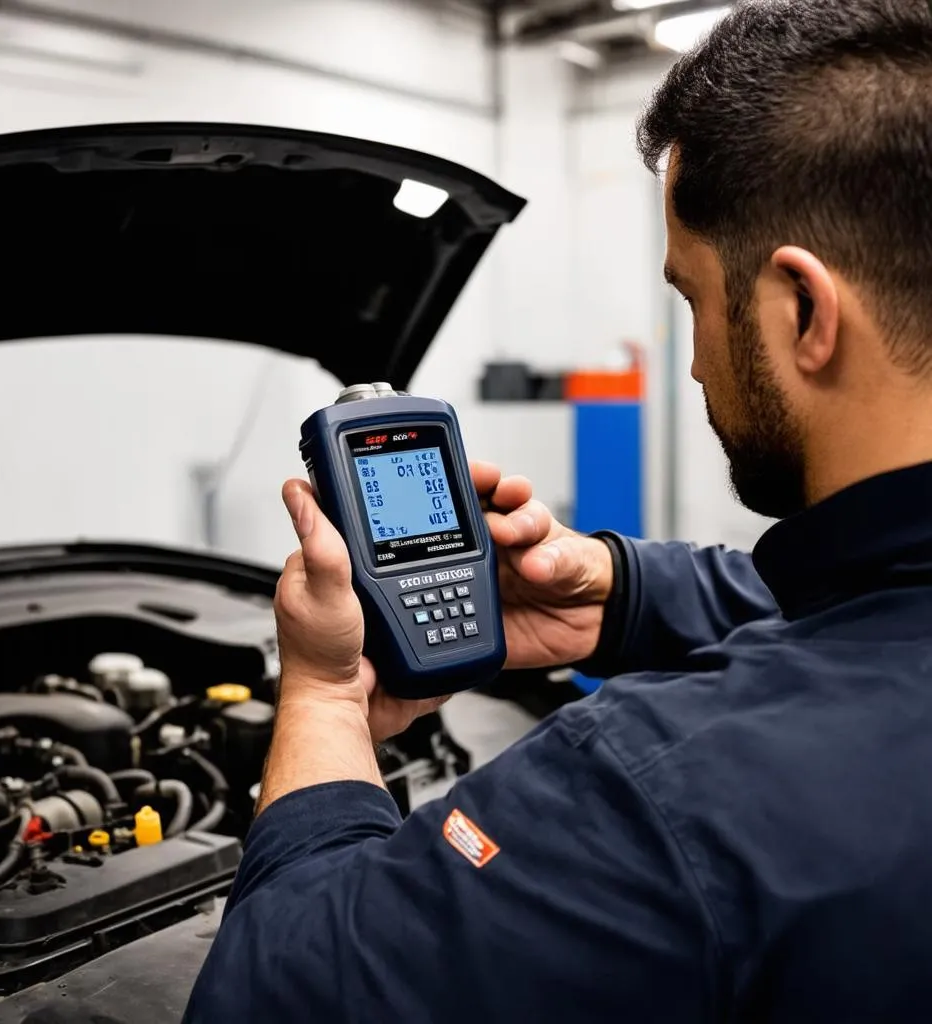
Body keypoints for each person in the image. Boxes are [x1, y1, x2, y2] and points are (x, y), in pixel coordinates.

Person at [183, 1, 932, 1020]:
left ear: (801, 309)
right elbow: (874, 607)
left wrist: (319, 695)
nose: (700, 360)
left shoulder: (656, 799)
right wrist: (618, 593)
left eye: (693, 300)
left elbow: (271, 993)